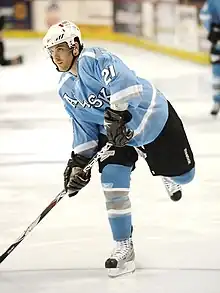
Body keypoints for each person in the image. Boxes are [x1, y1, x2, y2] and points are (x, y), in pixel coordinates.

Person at [43, 20, 195, 277]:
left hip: (151, 119)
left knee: (185, 176)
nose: (56, 56)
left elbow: (126, 83)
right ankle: (124, 246)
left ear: (75, 47)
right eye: (51, 50)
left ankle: (168, 173)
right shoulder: (65, 88)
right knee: (112, 181)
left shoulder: (96, 58)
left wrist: (116, 114)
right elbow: (83, 127)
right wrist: (78, 163)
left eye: (60, 48)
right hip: (115, 136)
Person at [200, 0, 220, 116]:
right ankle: (217, 101)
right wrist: (213, 30)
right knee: (217, 74)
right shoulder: (213, 2)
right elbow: (204, 15)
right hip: (218, 41)